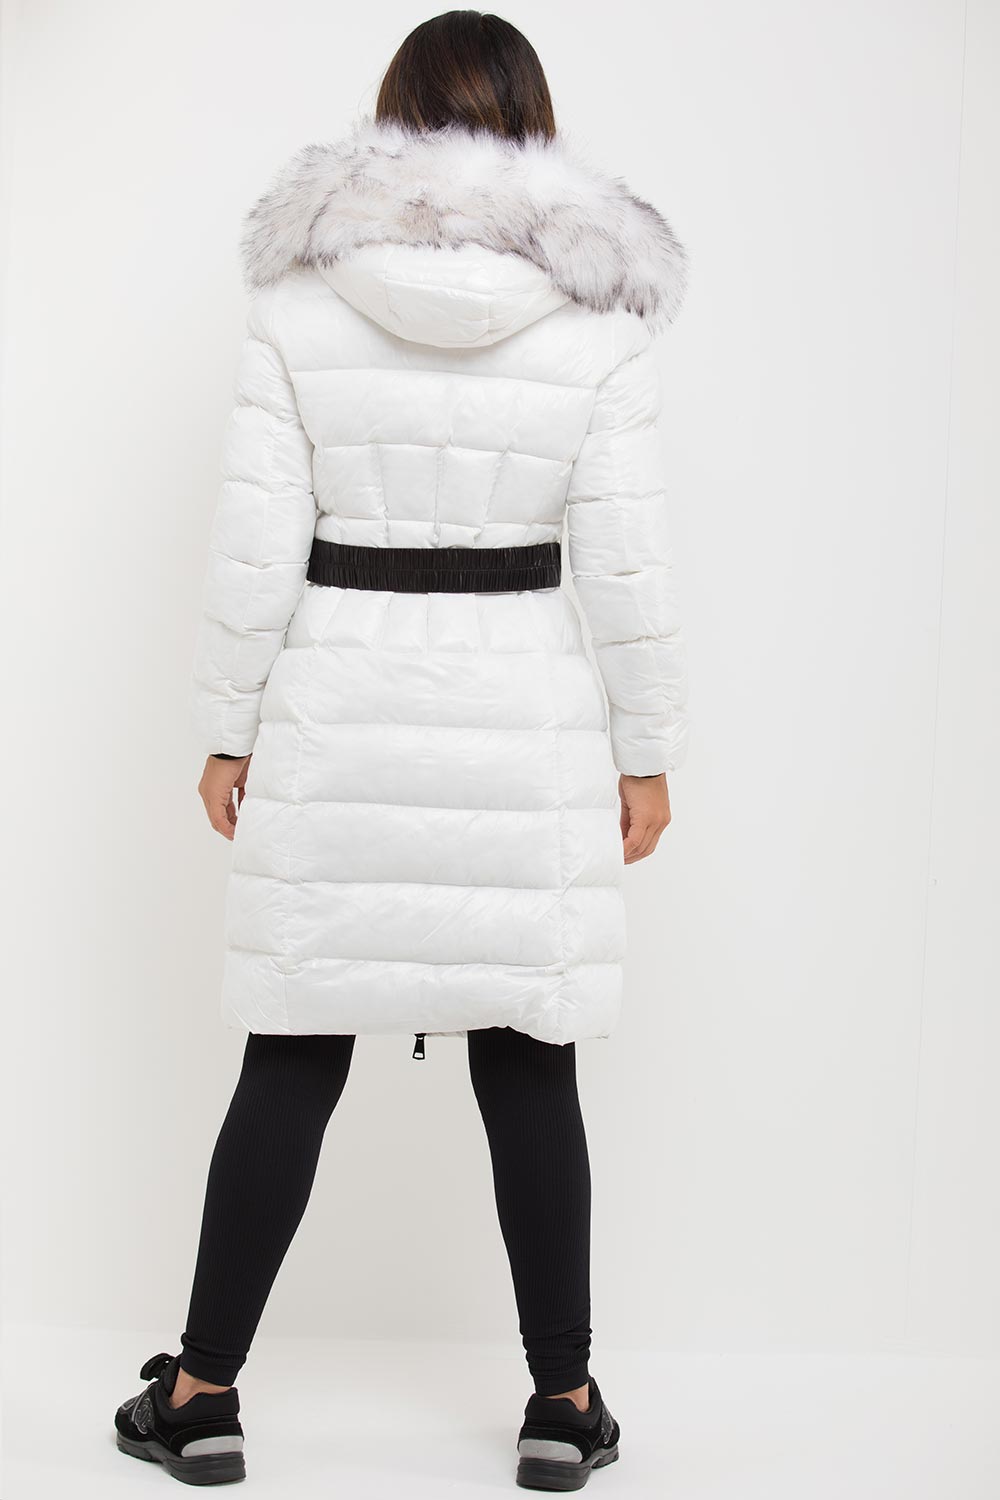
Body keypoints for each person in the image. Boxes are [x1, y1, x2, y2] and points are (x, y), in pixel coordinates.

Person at [113, 9, 689, 1491]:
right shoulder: (596, 324)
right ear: (534, 126)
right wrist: (644, 752)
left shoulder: (301, 308)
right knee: (531, 1064)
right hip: (524, 720)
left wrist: (227, 727)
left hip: (337, 706)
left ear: (393, 121)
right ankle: (563, 1401)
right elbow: (627, 563)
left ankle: (200, 1395)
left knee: (294, 1052)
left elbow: (255, 543)